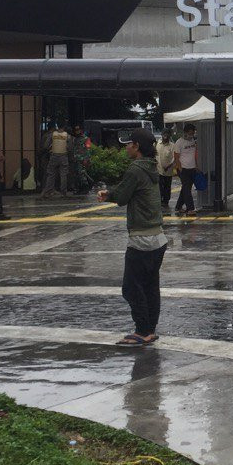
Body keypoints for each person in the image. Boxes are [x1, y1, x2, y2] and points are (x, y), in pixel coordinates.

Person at [98, 128, 166, 347]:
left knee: (130, 287)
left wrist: (108, 194)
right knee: (150, 286)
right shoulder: (150, 167)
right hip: (158, 237)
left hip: (142, 239)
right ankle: (149, 330)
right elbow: (128, 192)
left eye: (128, 144)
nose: (125, 147)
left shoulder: (136, 168)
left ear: (136, 147)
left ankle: (142, 330)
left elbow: (123, 196)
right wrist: (111, 193)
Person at [173, 123, 199, 216]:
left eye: (193, 133)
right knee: (187, 189)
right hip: (183, 169)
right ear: (185, 132)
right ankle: (190, 208)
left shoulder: (192, 140)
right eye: (190, 133)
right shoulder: (179, 143)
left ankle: (178, 207)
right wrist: (180, 169)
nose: (191, 135)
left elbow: (194, 154)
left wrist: (196, 166)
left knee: (185, 188)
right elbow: (176, 157)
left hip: (192, 168)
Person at [41, 123, 70, 197]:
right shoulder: (67, 135)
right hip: (63, 156)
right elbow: (70, 148)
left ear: (57, 127)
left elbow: (45, 146)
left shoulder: (52, 134)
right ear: (64, 127)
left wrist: (50, 148)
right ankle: (63, 192)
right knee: (63, 174)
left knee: (51, 174)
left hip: (54, 156)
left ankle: (47, 191)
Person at [155, 129, 177, 214]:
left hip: (168, 170)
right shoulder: (157, 144)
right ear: (161, 134)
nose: (165, 135)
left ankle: (166, 200)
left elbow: (174, 157)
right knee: (160, 185)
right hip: (158, 169)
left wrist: (169, 166)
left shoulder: (172, 146)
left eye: (167, 134)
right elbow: (155, 155)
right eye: (164, 133)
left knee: (167, 185)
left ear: (170, 135)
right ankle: (160, 199)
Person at [69, 125, 90, 195]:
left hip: (82, 159)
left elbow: (88, 150)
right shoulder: (75, 139)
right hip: (76, 159)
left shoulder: (86, 139)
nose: (77, 131)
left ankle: (85, 188)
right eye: (76, 130)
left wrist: (86, 159)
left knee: (82, 174)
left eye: (78, 130)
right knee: (77, 175)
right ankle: (79, 188)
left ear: (81, 130)